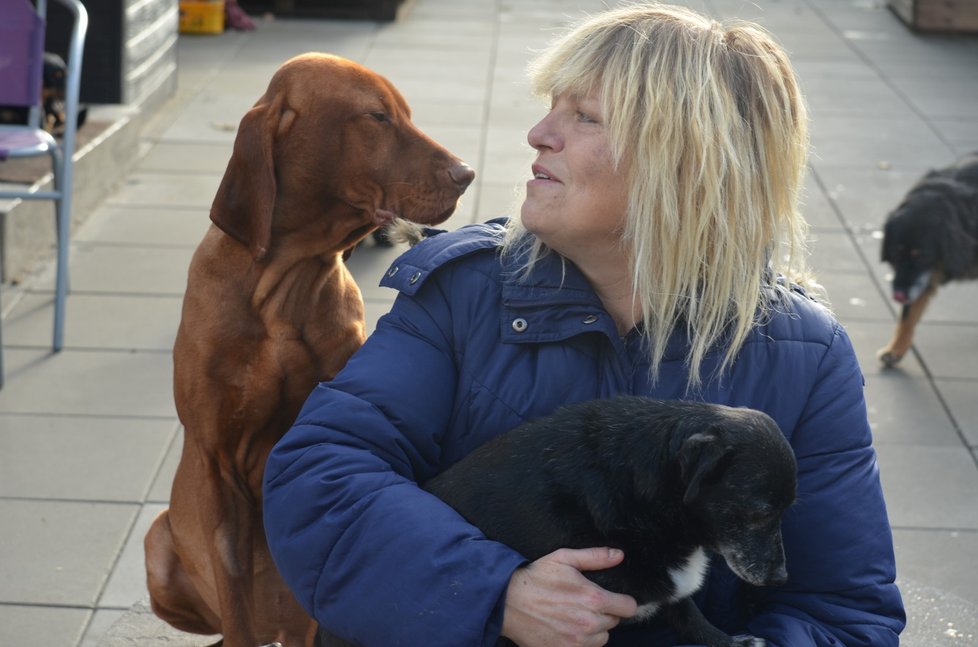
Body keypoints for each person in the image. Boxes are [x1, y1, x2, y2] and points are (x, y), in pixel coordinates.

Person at [262, 3, 906, 645]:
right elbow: (321, 477)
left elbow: (846, 612)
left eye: (585, 116)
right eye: (552, 106)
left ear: (687, 164)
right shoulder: (466, 293)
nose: (539, 133)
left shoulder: (804, 353)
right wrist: (493, 593)